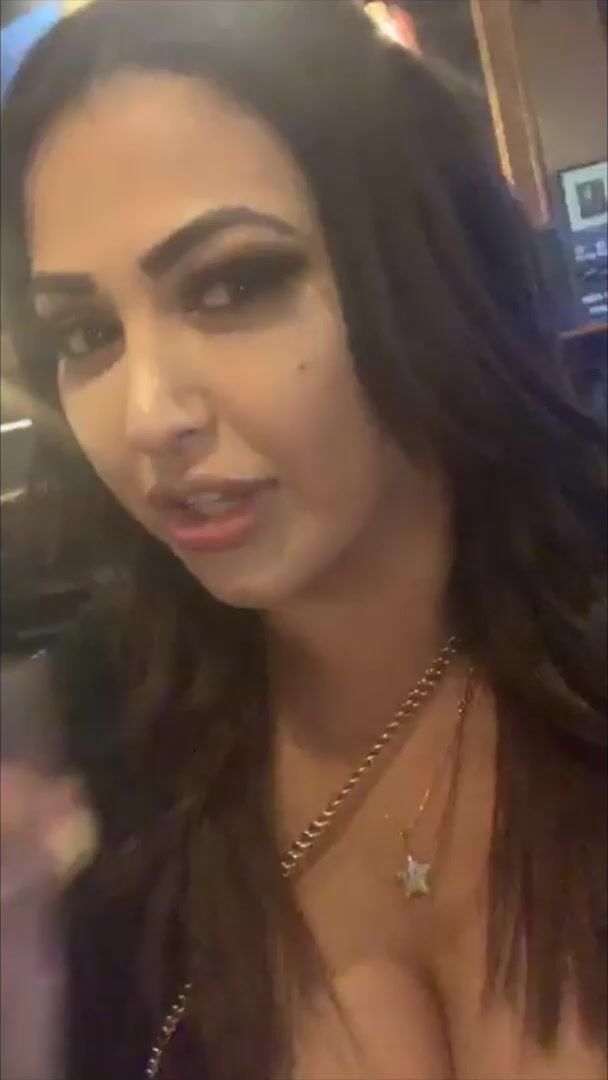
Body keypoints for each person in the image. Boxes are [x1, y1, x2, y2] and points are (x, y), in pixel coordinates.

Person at [1, 2, 606, 1078]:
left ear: (422, 262)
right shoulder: (78, 769)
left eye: (232, 283)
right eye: (86, 333)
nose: (147, 416)